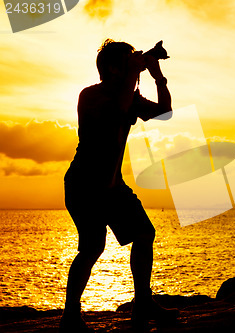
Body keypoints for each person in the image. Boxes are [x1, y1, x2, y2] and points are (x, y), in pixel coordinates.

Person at [60, 39, 177, 332]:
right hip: (84, 184)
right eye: (128, 59)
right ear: (112, 68)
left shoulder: (129, 95)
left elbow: (165, 110)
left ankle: (142, 302)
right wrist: (135, 73)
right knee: (91, 247)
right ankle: (71, 313)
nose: (134, 62)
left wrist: (156, 74)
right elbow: (116, 109)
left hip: (112, 185)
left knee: (145, 233)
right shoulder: (91, 95)